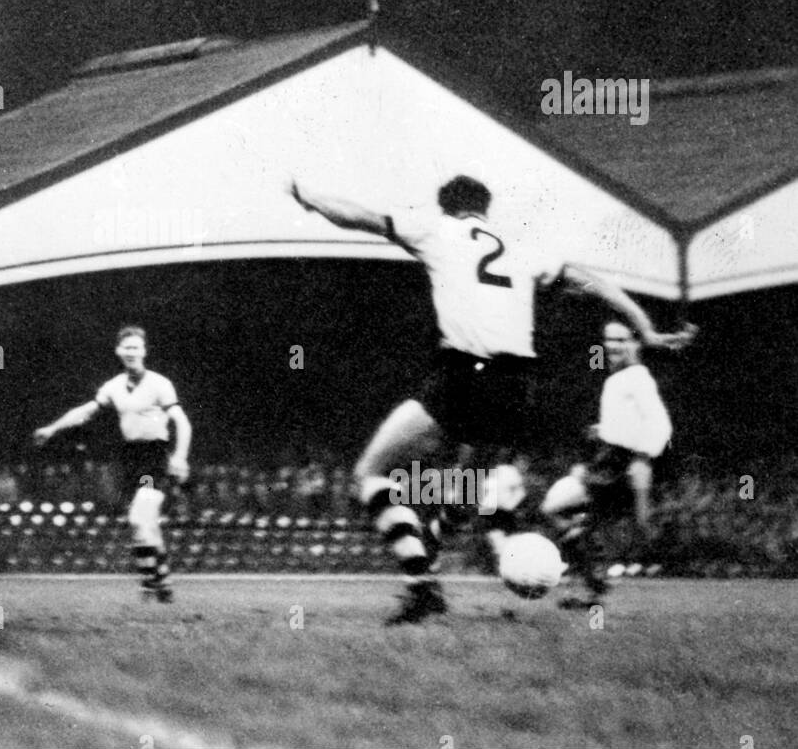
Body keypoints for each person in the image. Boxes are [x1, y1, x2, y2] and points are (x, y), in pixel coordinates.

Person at [289, 174, 696, 623]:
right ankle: (430, 551)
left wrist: (309, 199)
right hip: (517, 385)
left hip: (466, 372)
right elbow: (592, 281)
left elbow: (359, 216)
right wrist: (645, 326)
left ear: (447, 207)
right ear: (486, 208)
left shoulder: (437, 229)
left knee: (369, 472)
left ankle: (421, 582)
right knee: (466, 488)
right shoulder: (521, 247)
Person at [33, 326, 191, 602]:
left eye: (136, 347)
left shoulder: (159, 384)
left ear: (144, 351)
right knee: (147, 525)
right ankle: (161, 584)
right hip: (129, 457)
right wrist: (52, 428)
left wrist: (179, 456)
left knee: (138, 519)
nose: (131, 352)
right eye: (126, 347)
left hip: (153, 456)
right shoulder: (114, 386)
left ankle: (150, 584)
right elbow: (85, 411)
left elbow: (182, 421)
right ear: (118, 351)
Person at [542, 320, 682, 608]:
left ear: (636, 343)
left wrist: (642, 458)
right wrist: (602, 430)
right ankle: (593, 588)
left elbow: (660, 426)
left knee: (557, 510)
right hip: (606, 461)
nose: (613, 346)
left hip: (618, 466)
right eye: (609, 340)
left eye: (621, 340)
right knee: (578, 520)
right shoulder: (618, 379)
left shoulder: (637, 378)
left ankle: (594, 580)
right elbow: (626, 423)